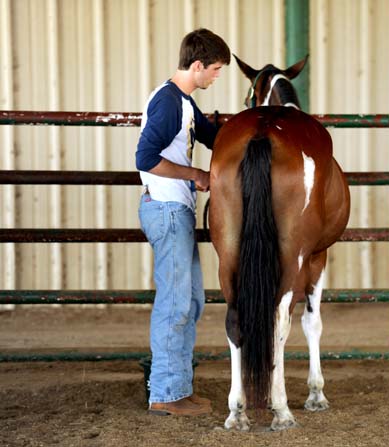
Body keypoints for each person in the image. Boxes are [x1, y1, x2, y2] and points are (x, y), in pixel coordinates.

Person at [135, 28, 230, 416]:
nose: (217, 76)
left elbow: (213, 135)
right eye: (216, 69)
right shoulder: (169, 104)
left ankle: (178, 388)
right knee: (175, 304)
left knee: (189, 300)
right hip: (168, 210)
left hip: (177, 210)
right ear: (197, 65)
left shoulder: (185, 103)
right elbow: (145, 158)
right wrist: (196, 176)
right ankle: (165, 395)